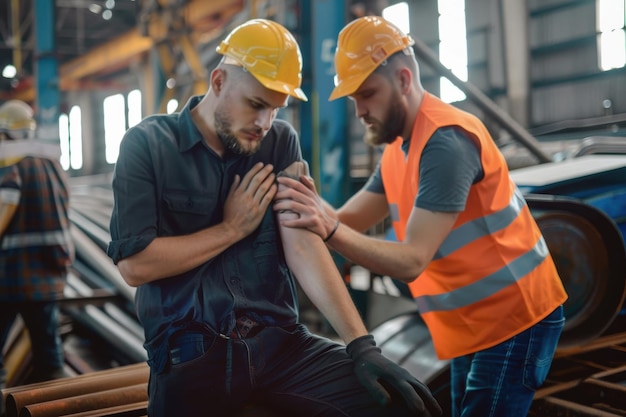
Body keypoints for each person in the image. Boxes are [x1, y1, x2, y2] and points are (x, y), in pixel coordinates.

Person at [106, 18, 441, 417]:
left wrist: (362, 346)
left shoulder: (280, 142)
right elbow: (135, 265)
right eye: (256, 105)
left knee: (397, 404)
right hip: (192, 355)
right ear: (217, 82)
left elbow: (302, 243)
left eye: (276, 108)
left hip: (282, 346)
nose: (265, 123)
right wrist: (231, 229)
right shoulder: (148, 146)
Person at [273, 16, 568, 417]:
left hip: (514, 317)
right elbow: (349, 218)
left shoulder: (445, 142)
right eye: (353, 98)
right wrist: (301, 200)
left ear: (405, 80)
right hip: (475, 320)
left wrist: (330, 228)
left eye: (368, 94)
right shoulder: (398, 146)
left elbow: (411, 260)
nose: (359, 110)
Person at [0, 99, 73, 401]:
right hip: (49, 275)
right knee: (48, 353)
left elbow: (3, 216)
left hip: (12, 277)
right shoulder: (53, 166)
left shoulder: (12, 168)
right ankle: (57, 406)